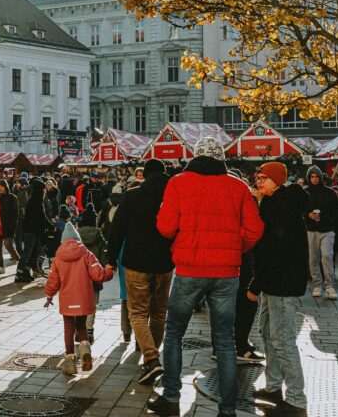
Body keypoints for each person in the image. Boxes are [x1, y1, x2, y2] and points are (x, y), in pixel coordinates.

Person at [147, 137, 263, 417]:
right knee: (225, 341)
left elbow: (164, 227)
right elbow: (255, 229)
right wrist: (235, 248)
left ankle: (171, 398)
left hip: (190, 269)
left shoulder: (178, 183)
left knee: (174, 333)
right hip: (226, 272)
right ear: (221, 159)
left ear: (195, 157)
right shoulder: (238, 187)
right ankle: (228, 408)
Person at [249, 162, 309, 417]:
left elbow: (277, 251)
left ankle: (296, 399)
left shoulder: (282, 206)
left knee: (282, 339)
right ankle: (273, 386)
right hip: (273, 280)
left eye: (264, 177)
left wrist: (257, 281)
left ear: (277, 180)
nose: (259, 181)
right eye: (257, 177)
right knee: (266, 331)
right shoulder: (272, 202)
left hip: (282, 282)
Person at [106, 158, 173, 385]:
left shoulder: (132, 196)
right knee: (159, 313)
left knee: (137, 313)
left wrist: (110, 259)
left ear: (144, 174)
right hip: (164, 264)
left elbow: (117, 230)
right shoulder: (171, 197)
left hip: (136, 262)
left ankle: (152, 359)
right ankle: (150, 359)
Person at [44, 222, 114, 375]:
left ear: (63, 240)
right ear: (78, 239)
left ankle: (70, 361)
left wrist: (49, 294)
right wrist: (109, 270)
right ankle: (85, 352)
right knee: (82, 326)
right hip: (83, 298)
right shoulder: (87, 254)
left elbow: (53, 280)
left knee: (68, 329)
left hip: (67, 300)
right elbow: (98, 275)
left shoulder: (58, 258)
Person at [303, 165, 338, 299]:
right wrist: (308, 215)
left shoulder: (329, 193)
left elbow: (337, 210)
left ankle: (329, 286)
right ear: (308, 178)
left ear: (320, 177)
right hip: (311, 229)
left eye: (316, 176)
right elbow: (299, 209)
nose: (314, 179)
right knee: (313, 258)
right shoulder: (305, 192)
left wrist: (329, 221)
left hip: (327, 230)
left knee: (327, 257)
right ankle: (317, 285)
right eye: (312, 176)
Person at [77, 207, 108, 344]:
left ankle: (79, 330)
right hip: (94, 276)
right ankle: (89, 330)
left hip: (78, 276)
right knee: (92, 305)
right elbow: (104, 258)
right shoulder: (99, 236)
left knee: (79, 303)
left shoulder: (76, 236)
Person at [16, 178, 47, 282]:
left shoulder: (36, 200)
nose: (44, 191)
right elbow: (41, 216)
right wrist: (51, 226)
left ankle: (26, 270)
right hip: (30, 230)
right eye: (43, 189)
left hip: (35, 231)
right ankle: (19, 274)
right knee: (27, 252)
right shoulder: (35, 201)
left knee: (37, 251)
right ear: (39, 190)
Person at [0, 179, 20, 268]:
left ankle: (18, 260)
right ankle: (1, 267)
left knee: (8, 245)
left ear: (6, 187)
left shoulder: (12, 197)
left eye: (2, 186)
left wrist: (13, 226)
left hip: (9, 226)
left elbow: (15, 214)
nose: (0, 188)